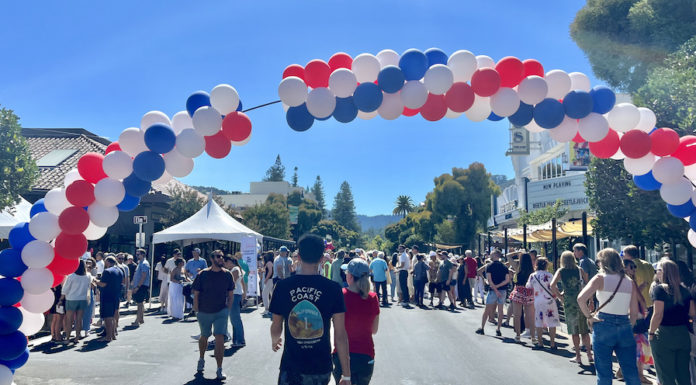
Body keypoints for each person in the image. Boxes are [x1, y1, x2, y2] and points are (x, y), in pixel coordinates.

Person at [269, 234, 350, 385]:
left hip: (291, 366)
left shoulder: (282, 287)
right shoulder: (333, 289)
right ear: (322, 258)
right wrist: (346, 374)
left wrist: (275, 340)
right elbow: (340, 334)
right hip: (320, 367)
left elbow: (276, 325)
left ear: (298, 257)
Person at [578, 248, 641, 385]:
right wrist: (629, 324)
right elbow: (634, 312)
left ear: (603, 262)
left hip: (603, 323)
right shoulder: (629, 281)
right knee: (630, 371)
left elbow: (581, 298)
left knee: (604, 372)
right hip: (625, 324)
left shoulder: (600, 278)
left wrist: (589, 317)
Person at [648, 258, 695, 385]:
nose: (657, 272)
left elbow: (658, 314)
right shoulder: (684, 290)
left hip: (664, 334)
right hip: (683, 334)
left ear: (664, 272)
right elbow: (692, 312)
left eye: (658, 270)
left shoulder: (659, 290)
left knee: (666, 375)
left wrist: (651, 332)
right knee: (684, 375)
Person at [333, 258, 380, 385]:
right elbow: (374, 330)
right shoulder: (373, 297)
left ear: (350, 276)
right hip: (366, 355)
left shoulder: (340, 295)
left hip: (342, 356)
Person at [192, 250, 235, 380]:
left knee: (220, 338)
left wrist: (228, 309)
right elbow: (196, 293)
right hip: (204, 311)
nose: (221, 259)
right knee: (204, 336)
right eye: (218, 256)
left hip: (221, 311)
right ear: (212, 259)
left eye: (222, 256)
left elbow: (231, 294)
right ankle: (201, 358)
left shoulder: (227, 275)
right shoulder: (203, 274)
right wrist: (196, 309)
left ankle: (219, 369)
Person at [550, 251, 592, 363]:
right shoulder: (579, 270)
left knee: (574, 331)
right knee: (584, 330)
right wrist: (590, 300)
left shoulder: (561, 271)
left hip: (569, 302)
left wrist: (560, 297)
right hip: (581, 300)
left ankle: (578, 356)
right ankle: (589, 354)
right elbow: (588, 285)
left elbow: (552, 285)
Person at [621, 258, 652, 383]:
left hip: (626, 315)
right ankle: (639, 374)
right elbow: (639, 298)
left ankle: (623, 370)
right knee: (641, 345)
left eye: (634, 267)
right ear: (624, 268)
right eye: (631, 267)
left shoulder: (622, 281)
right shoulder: (629, 282)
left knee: (631, 344)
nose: (634, 270)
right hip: (636, 315)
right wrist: (645, 310)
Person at [527, 257, 560, 349]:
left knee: (539, 321)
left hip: (538, 300)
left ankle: (540, 342)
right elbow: (554, 288)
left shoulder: (533, 275)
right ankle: (552, 343)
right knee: (552, 321)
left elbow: (528, 287)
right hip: (550, 300)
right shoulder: (550, 275)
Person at [476, 250, 510, 336]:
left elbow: (489, 280)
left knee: (487, 309)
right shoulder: (504, 267)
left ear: (495, 255)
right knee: (500, 310)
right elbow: (507, 280)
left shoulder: (489, 266)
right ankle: (498, 329)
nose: (490, 255)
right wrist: (498, 287)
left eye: (491, 253)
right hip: (502, 290)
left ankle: (482, 327)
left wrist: (495, 289)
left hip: (492, 290)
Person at [61, 260, 92, 342]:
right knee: (79, 319)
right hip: (82, 299)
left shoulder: (71, 276)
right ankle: (77, 337)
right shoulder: (88, 276)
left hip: (71, 299)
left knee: (69, 320)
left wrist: (61, 299)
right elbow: (89, 287)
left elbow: (65, 289)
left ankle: (67, 338)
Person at [96, 256, 123, 342]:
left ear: (108, 262)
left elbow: (103, 284)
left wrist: (95, 281)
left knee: (108, 317)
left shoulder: (107, 271)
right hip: (116, 296)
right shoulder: (120, 270)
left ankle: (108, 337)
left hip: (107, 296)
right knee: (114, 316)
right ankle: (113, 334)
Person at [509, 252, 535, 343]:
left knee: (517, 315)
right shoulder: (532, 270)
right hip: (529, 292)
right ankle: (533, 337)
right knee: (531, 316)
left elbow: (508, 256)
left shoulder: (518, 267)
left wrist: (517, 252)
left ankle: (518, 335)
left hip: (519, 291)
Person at [622, 245, 655, 309]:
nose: (623, 256)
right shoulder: (648, 264)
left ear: (627, 254)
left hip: (639, 303)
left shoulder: (630, 267)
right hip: (651, 301)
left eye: (623, 253)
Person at [224, 256, 246, 347]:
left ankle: (240, 340)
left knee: (235, 319)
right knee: (234, 319)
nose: (225, 265)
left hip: (235, 295)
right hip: (236, 295)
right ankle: (236, 340)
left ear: (229, 261)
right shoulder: (236, 269)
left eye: (226, 263)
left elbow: (231, 283)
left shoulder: (235, 270)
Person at [131, 248, 151, 326]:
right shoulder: (140, 263)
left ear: (143, 255)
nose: (137, 255)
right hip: (139, 285)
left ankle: (137, 321)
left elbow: (143, 275)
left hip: (141, 286)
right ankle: (141, 319)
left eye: (138, 254)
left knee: (139, 304)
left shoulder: (144, 263)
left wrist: (138, 286)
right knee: (140, 303)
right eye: (136, 254)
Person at [162, 249, 181, 315]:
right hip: (170, 280)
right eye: (177, 254)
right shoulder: (169, 261)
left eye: (179, 254)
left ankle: (177, 309)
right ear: (174, 255)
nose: (178, 255)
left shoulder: (182, 260)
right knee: (170, 295)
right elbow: (164, 269)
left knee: (179, 295)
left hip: (179, 280)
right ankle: (168, 308)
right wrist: (169, 273)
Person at [262, 251, 275, 316]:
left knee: (264, 294)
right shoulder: (271, 262)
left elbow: (270, 271)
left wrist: (266, 279)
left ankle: (267, 309)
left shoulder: (269, 262)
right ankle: (270, 308)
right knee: (271, 293)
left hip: (269, 280)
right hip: (270, 279)